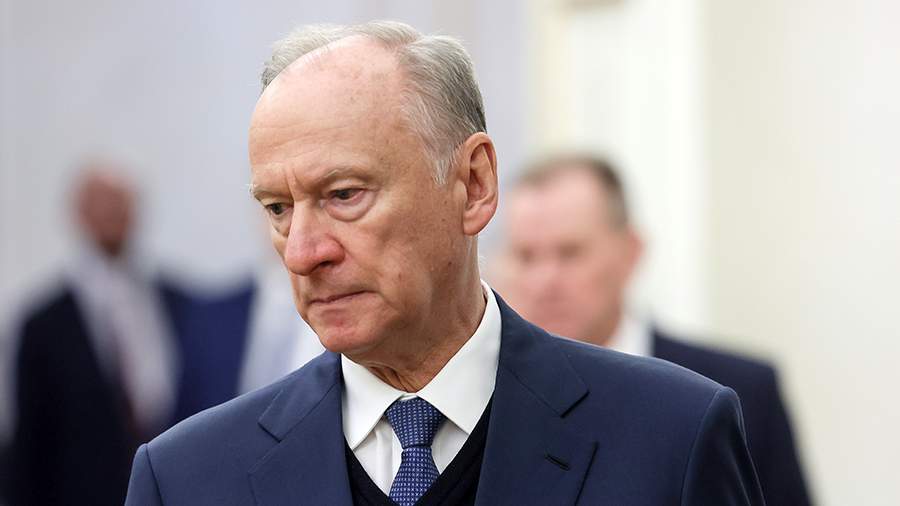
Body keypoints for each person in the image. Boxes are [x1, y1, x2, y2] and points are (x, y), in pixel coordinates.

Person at [125, 21, 763, 505]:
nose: (303, 251)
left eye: (344, 195)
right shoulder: (185, 479)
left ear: (473, 184)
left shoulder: (671, 439)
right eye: (277, 208)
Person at [501, 154, 812, 506]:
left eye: (570, 253)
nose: (544, 281)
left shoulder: (741, 392)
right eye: (526, 257)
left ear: (630, 252)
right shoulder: (491, 398)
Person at [12, 165, 181, 505]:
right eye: (103, 204)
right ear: (80, 214)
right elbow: (31, 438)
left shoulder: (172, 300)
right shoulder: (44, 324)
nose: (113, 215)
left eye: (121, 204)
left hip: (169, 485)